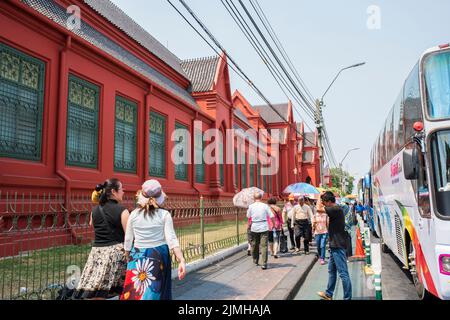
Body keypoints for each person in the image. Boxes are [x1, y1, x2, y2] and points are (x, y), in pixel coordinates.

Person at [120, 180, 186, 300]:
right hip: (159, 254)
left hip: (137, 254)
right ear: (160, 196)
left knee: (135, 291)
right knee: (156, 291)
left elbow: (128, 239)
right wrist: (181, 259)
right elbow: (171, 239)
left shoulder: (133, 214)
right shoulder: (164, 215)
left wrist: (127, 255)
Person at [73, 179, 130, 300]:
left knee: (97, 293)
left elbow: (91, 224)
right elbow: (130, 236)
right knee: (123, 291)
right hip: (115, 255)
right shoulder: (123, 211)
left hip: (97, 255)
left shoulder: (94, 211)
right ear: (114, 191)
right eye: (121, 189)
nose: (123, 191)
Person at [317, 191, 352, 301]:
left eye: (324, 202)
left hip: (337, 245)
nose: (323, 203)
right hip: (334, 245)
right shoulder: (334, 209)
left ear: (328, 202)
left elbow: (318, 208)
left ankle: (347, 298)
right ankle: (329, 294)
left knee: (343, 274)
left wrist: (319, 196)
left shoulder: (335, 209)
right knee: (331, 271)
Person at [247, 192, 276, 270]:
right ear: (261, 198)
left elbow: (248, 216)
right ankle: (264, 263)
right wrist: (273, 224)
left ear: (254, 198)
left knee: (255, 244)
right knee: (264, 246)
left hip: (254, 227)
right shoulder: (265, 206)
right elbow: (272, 216)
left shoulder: (251, 206)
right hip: (263, 227)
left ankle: (255, 260)